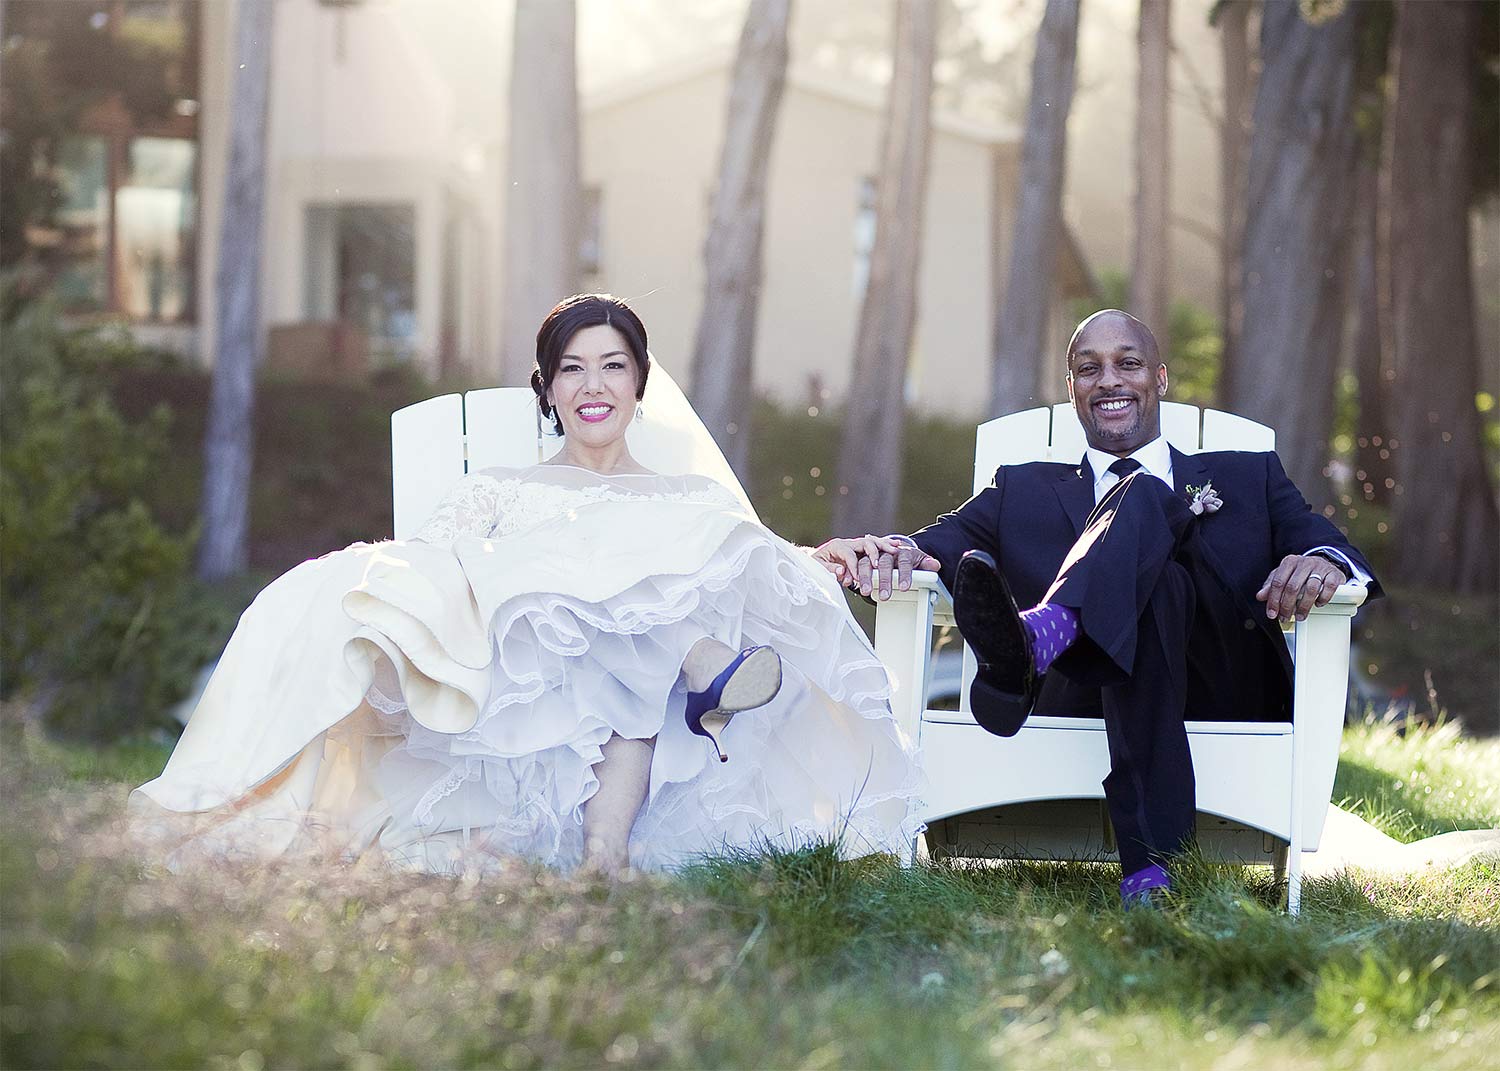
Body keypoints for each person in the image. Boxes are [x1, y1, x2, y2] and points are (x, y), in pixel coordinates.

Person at [133, 294, 922, 876]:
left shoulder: (688, 498)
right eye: (572, 368)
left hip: (627, 707)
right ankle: (700, 663)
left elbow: (753, 562)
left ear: (640, 383)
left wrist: (830, 556)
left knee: (634, 658)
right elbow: (436, 573)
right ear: (546, 389)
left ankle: (602, 861)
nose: (594, 384)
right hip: (519, 687)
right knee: (608, 611)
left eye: (614, 365)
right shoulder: (499, 491)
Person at [814, 309, 1379, 905]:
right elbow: (935, 545)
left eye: (1127, 364)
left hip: (1224, 683)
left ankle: (1045, 633)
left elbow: (1330, 544)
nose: (1108, 380)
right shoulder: (1023, 489)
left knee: (1139, 494)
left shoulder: (1248, 476)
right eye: (1089, 369)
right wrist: (877, 551)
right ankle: (1150, 872)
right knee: (1159, 591)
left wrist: (1324, 562)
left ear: (1159, 378)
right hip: (1085, 687)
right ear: (1072, 390)